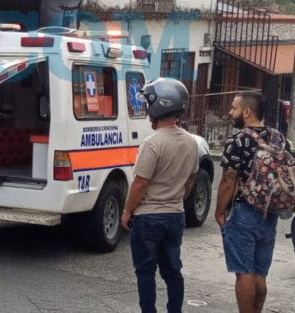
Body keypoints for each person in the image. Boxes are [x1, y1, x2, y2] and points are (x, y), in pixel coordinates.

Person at [120, 78, 198, 313]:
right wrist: (175, 198)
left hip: (148, 217)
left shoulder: (151, 143)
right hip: (175, 215)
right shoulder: (191, 141)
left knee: (145, 271)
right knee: (173, 270)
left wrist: (127, 212)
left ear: (159, 106)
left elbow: (140, 183)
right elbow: (191, 179)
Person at [215, 90, 293, 313]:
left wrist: (219, 211)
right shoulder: (279, 138)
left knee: (244, 272)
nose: (231, 112)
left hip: (244, 211)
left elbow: (228, 182)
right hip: (271, 212)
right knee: (260, 273)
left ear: (246, 111)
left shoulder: (238, 140)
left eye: (234, 108)